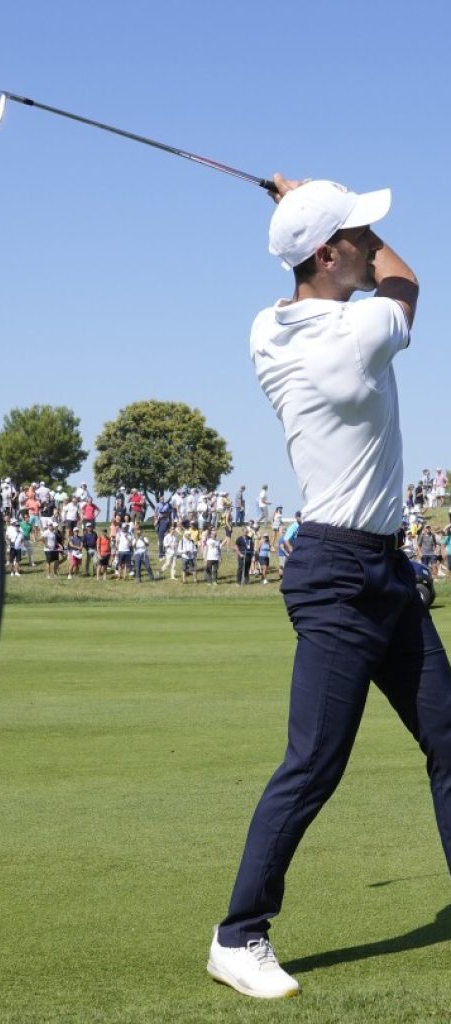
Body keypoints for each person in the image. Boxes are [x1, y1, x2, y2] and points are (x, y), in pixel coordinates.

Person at [208, 175, 451, 1001]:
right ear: (330, 253)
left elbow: (323, 279)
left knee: (449, 737)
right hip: (340, 576)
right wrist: (309, 200)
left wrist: (307, 210)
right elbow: (408, 279)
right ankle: (237, 936)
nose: (369, 241)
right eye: (356, 233)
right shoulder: (358, 333)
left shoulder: (263, 329)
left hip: (381, 569)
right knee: (313, 762)